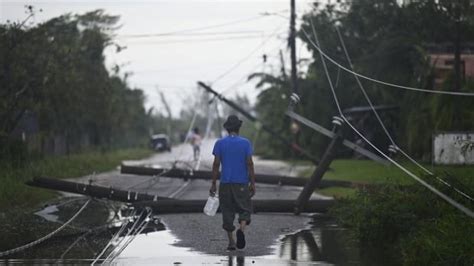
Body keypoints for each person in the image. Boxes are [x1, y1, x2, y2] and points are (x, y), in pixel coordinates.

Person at [210, 115, 256, 251]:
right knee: (244, 209)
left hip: (225, 184)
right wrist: (252, 183)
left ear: (227, 129)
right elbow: (250, 163)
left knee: (227, 212)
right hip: (241, 184)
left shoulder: (220, 143)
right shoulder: (246, 143)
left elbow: (216, 164)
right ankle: (241, 229)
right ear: (238, 128)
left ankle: (231, 242)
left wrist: (213, 183)